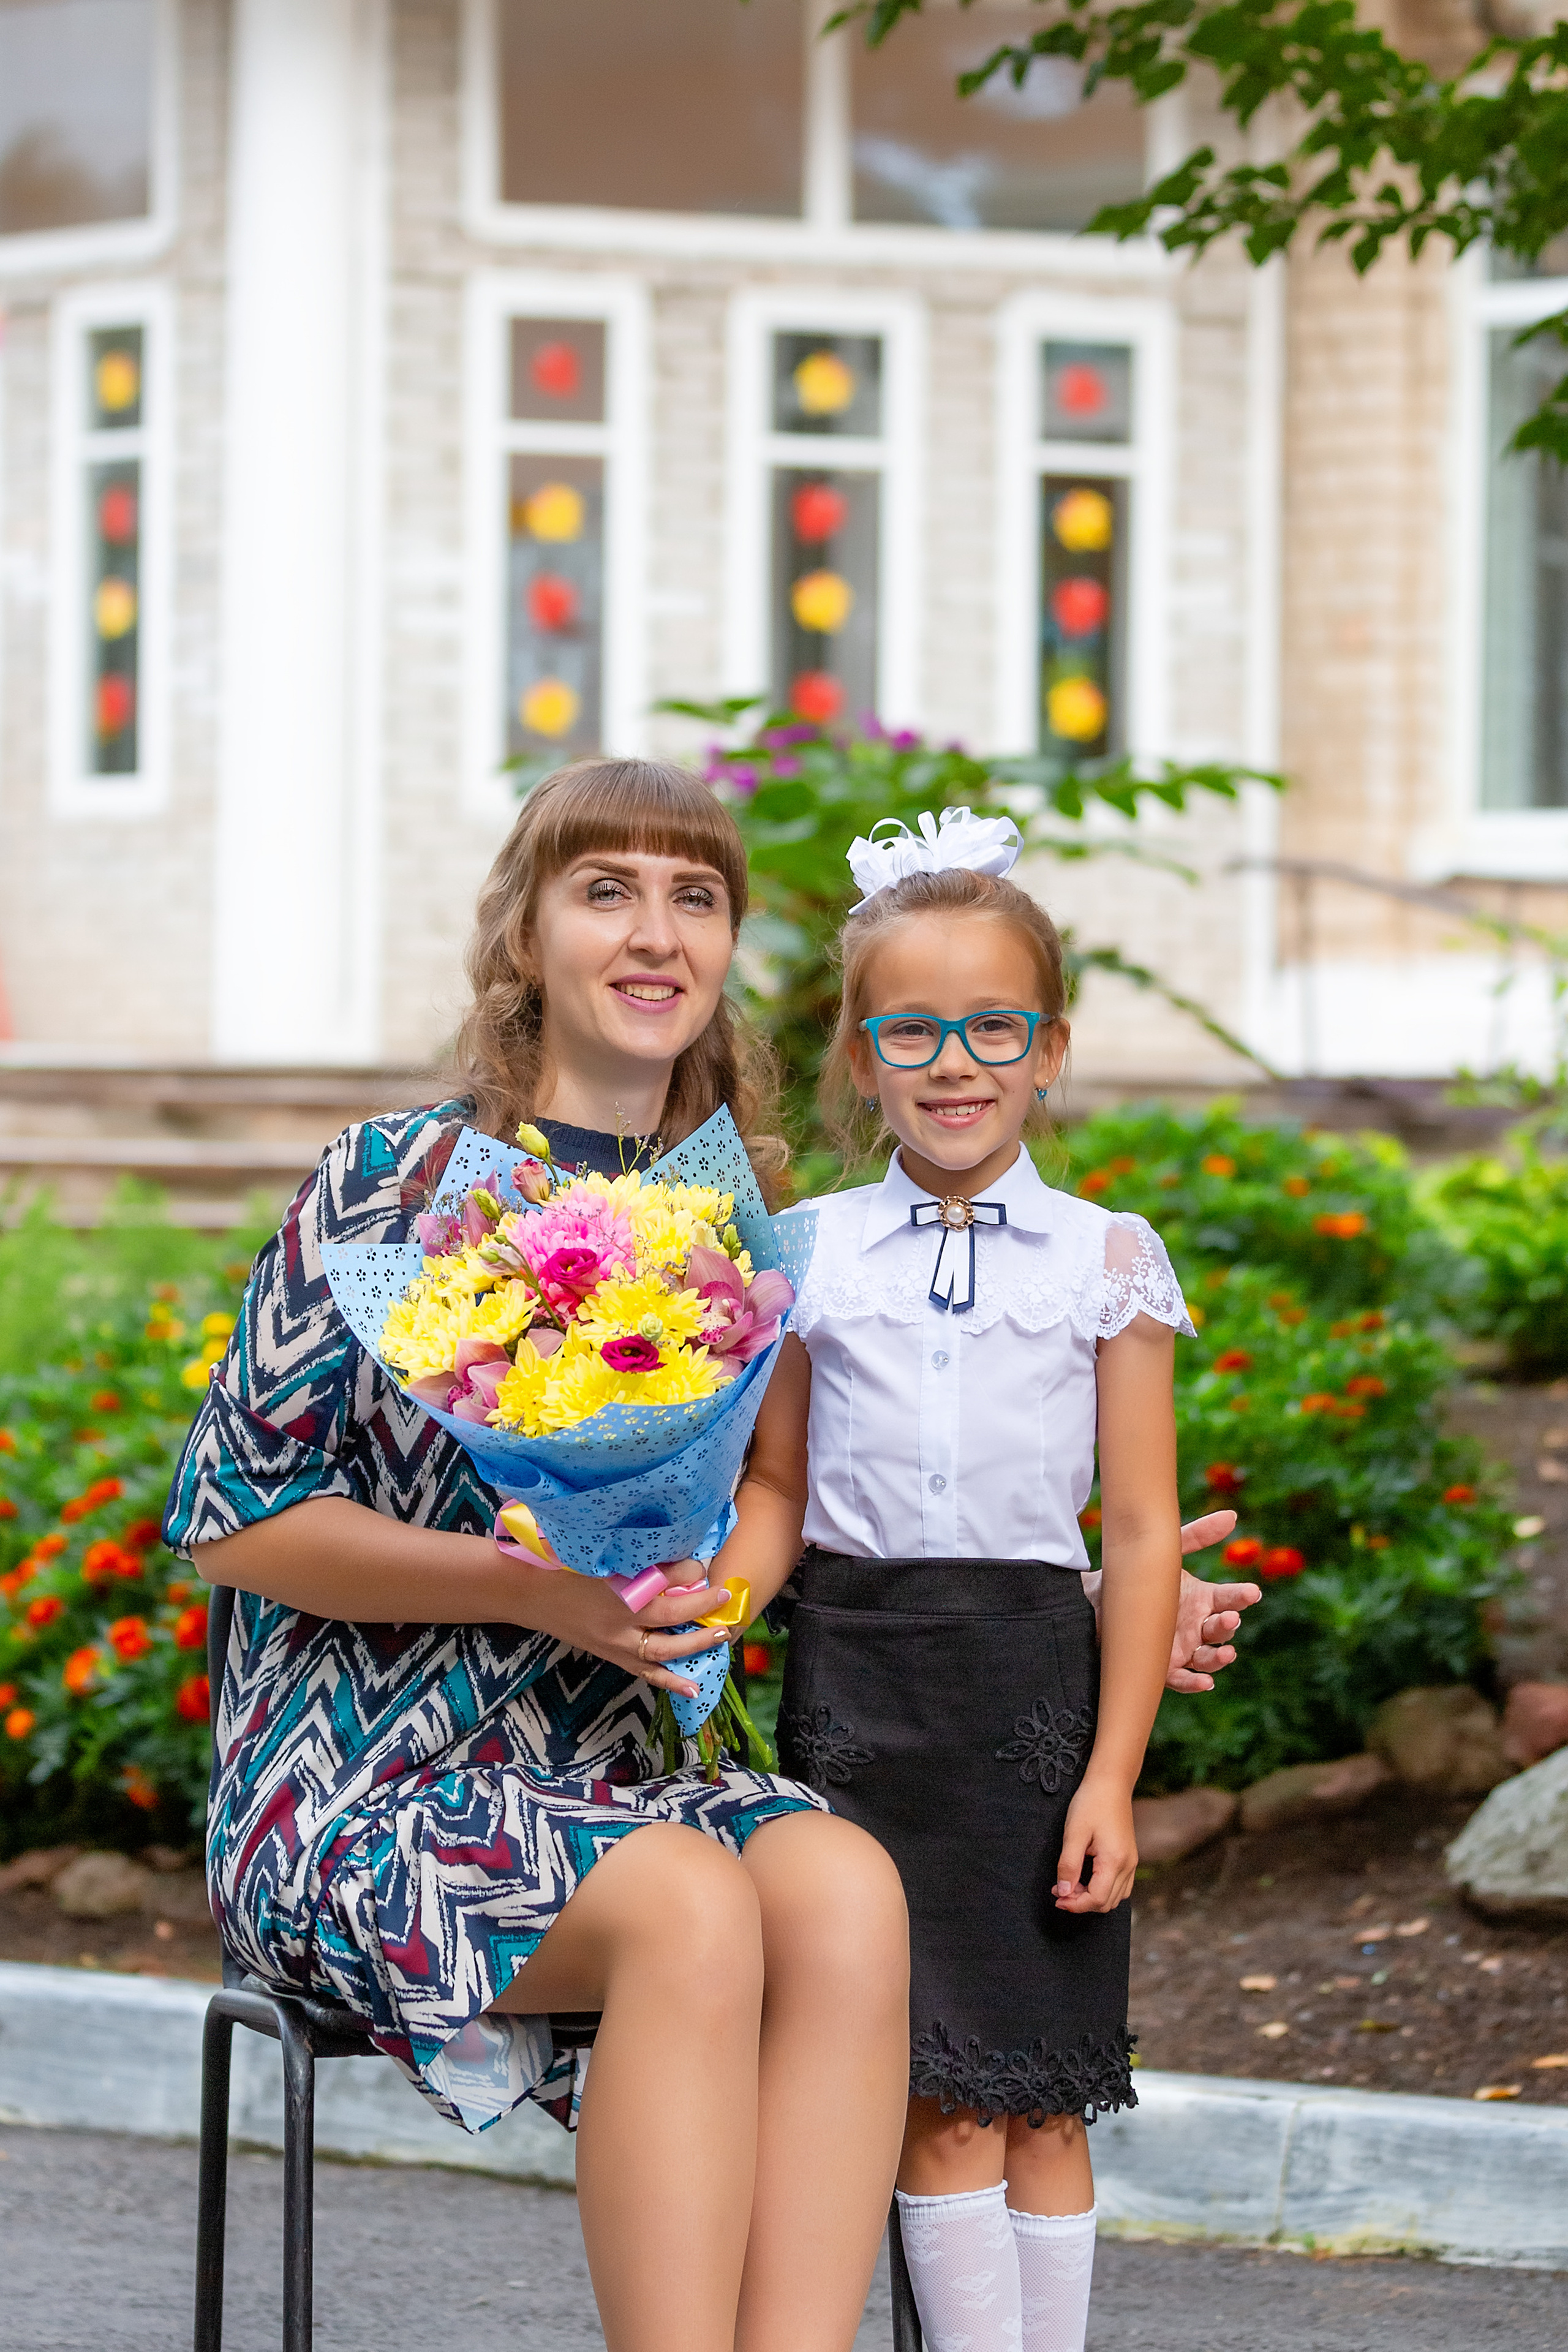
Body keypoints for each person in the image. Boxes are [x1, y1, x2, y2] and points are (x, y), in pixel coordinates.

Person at [165, 760, 1252, 2352]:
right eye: (606, 888)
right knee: (687, 1903)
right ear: (524, 937)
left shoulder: (738, 1216)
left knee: (844, 1884)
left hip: (605, 1772)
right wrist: (533, 1592)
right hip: (356, 1792)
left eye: (695, 895)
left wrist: (1086, 1600)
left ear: (733, 944)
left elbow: (784, 1507)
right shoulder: (387, 1183)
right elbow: (236, 1527)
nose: (654, 929)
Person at [665, 813, 1199, 2352]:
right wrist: (720, 1611)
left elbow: (1142, 1534)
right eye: (911, 1029)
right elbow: (775, 1490)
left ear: (1048, 1048)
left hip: (1034, 1701)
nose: (952, 1061)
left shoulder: (1104, 1255)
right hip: (862, 1698)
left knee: (1039, 2099)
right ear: (859, 1051)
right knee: (936, 2105)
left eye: (991, 1026)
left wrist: (1110, 1779)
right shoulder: (805, 1252)